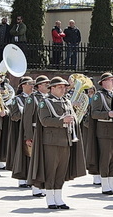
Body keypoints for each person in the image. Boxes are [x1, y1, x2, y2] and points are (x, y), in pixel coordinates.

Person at [29, 76, 85, 209]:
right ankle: (50, 198)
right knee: (51, 171)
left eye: (64, 87)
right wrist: (62, 121)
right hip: (51, 142)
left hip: (65, 141)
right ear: (52, 88)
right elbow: (44, 121)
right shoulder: (45, 102)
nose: (63, 89)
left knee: (61, 171)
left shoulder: (66, 101)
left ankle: (59, 198)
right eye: (60, 87)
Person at [85, 72, 113, 195]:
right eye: (110, 80)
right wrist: (107, 114)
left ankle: (112, 184)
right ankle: (105, 185)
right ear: (103, 83)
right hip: (105, 131)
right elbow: (94, 113)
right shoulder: (98, 96)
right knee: (106, 158)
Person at [21, 75, 50, 197]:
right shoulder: (32, 98)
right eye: (45, 84)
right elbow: (27, 118)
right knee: (35, 161)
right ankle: (35, 187)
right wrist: (28, 136)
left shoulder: (49, 98)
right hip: (34, 131)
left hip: (46, 133)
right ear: (39, 86)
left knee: (45, 161)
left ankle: (43, 186)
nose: (48, 86)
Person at [8, 77, 35, 188]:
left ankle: (31, 177)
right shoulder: (17, 99)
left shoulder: (35, 98)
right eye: (30, 84)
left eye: (33, 84)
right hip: (20, 129)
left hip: (32, 128)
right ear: (23, 85)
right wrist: (25, 113)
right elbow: (13, 116)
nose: (32, 86)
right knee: (22, 153)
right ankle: (22, 178)